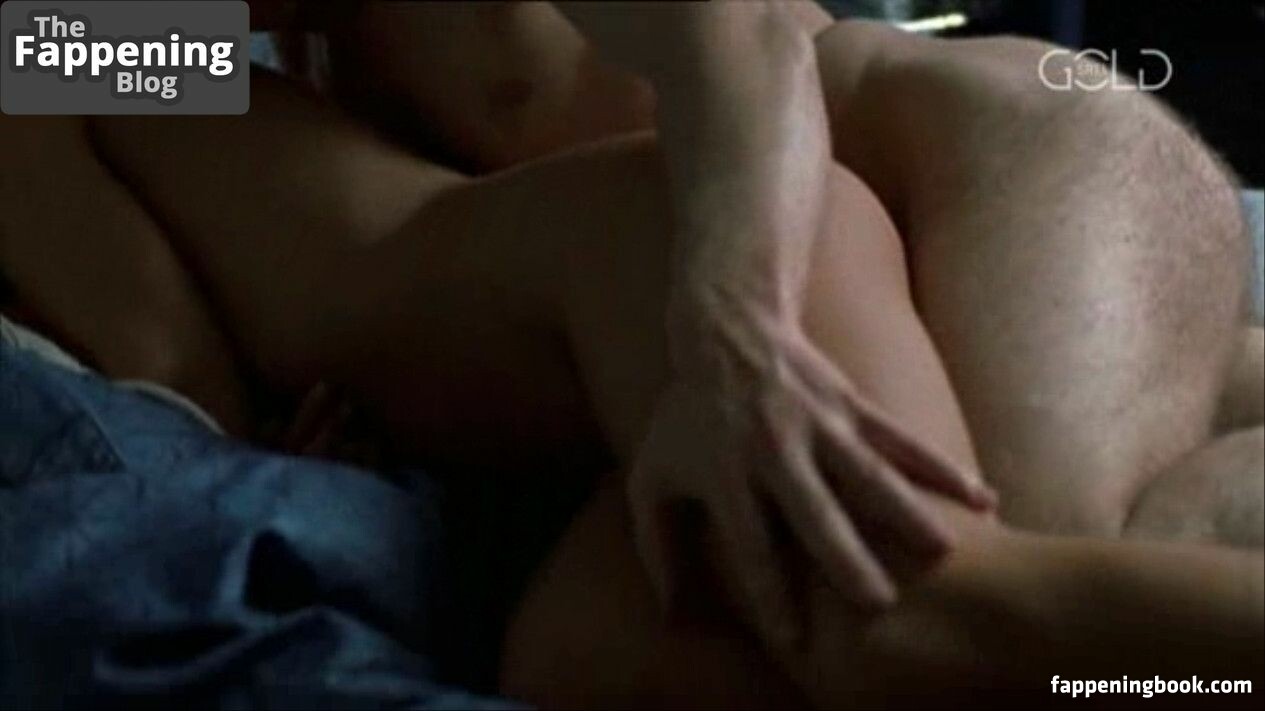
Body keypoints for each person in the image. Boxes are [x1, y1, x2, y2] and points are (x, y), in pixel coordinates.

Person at [1, 1, 1261, 707]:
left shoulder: (87, 58)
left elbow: (735, 39)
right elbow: (162, 365)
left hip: (904, 170)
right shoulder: (122, 56)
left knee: (933, 626)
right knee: (595, 663)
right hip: (722, 229)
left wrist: (732, 329)